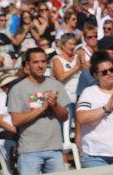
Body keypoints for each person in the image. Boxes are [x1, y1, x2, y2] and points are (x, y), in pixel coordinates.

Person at [9, 47, 71, 175]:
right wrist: (42, 108)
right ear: (27, 64)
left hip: (54, 148)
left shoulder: (56, 85)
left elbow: (65, 116)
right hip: (29, 151)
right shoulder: (17, 89)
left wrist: (54, 105)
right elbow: (16, 120)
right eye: (36, 62)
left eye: (43, 62)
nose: (40, 65)